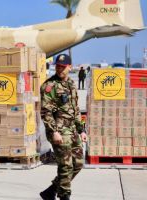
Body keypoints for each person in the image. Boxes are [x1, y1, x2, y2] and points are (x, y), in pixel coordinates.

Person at [39, 54, 88, 200]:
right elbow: (46, 112)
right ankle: (64, 196)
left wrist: (82, 130)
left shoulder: (72, 84)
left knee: (78, 163)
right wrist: (54, 132)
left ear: (70, 67)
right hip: (59, 131)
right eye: (58, 66)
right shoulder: (49, 86)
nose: (60, 69)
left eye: (63, 67)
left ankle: (50, 191)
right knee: (66, 166)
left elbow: (75, 109)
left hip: (72, 129)